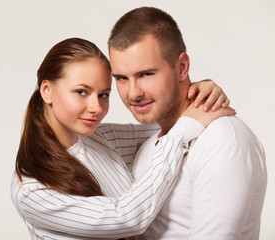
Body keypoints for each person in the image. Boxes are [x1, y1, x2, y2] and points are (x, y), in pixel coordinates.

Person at [11, 37, 234, 239]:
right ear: (46, 90)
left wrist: (196, 95)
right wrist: (184, 128)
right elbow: (126, 219)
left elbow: (168, 122)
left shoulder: (104, 138)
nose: (96, 107)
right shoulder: (30, 189)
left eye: (104, 95)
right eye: (81, 92)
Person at [108, 7, 267, 240]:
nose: (133, 93)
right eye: (122, 78)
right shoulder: (150, 144)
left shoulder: (223, 139)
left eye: (146, 74)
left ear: (181, 67)